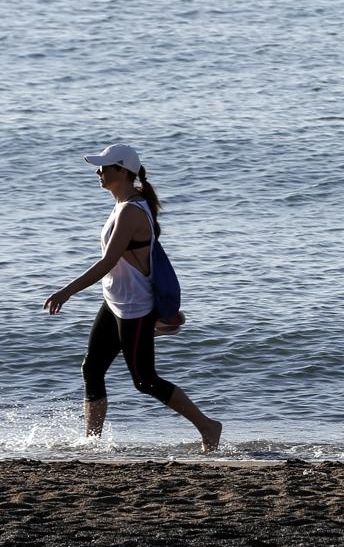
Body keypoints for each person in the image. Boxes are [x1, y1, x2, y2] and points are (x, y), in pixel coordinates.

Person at [44, 144, 222, 452]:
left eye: (105, 167)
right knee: (92, 368)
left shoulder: (130, 211)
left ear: (123, 172)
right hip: (115, 301)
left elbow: (107, 262)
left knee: (144, 379)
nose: (98, 172)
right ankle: (92, 442)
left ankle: (208, 426)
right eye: (99, 167)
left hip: (134, 306)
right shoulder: (125, 203)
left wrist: (67, 291)